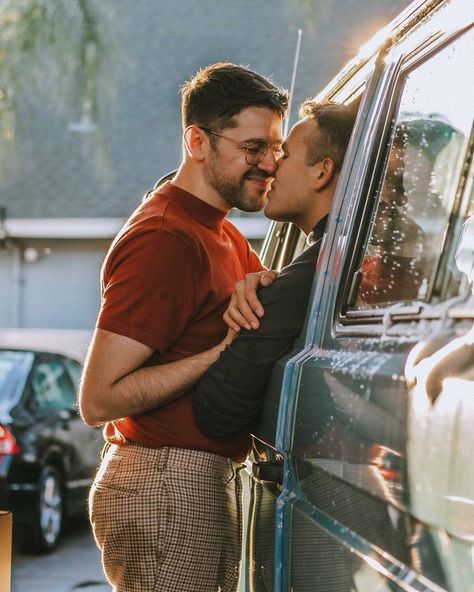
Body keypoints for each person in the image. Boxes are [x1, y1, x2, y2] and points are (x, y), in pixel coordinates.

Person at [79, 62, 288, 592]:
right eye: (253, 148)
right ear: (198, 141)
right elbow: (99, 399)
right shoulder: (167, 238)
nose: (268, 165)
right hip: (163, 482)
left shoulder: (220, 232)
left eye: (276, 150)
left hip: (192, 478)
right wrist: (222, 353)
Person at [193, 99, 358, 438]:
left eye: (284, 155)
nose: (270, 168)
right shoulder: (358, 258)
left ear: (322, 172)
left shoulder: (316, 276)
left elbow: (216, 410)